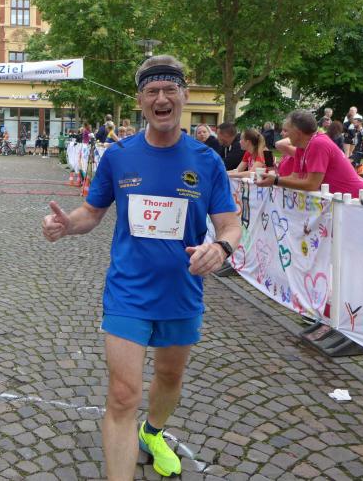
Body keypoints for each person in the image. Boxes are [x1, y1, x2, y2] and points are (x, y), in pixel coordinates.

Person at [42, 55, 240, 480]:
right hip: (128, 291)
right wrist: (67, 224)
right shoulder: (119, 156)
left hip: (182, 292)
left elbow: (230, 224)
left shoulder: (206, 160)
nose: (161, 98)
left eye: (169, 90)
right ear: (140, 100)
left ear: (184, 95)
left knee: (169, 376)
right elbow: (91, 212)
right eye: (152, 91)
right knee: (122, 394)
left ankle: (153, 432)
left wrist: (221, 248)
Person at [257, 109, 363, 200]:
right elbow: (295, 177)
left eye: (286, 130)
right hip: (345, 200)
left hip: (358, 200)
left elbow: (312, 184)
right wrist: (271, 179)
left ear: (298, 132)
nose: (284, 135)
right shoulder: (302, 146)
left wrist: (276, 181)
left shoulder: (318, 143)